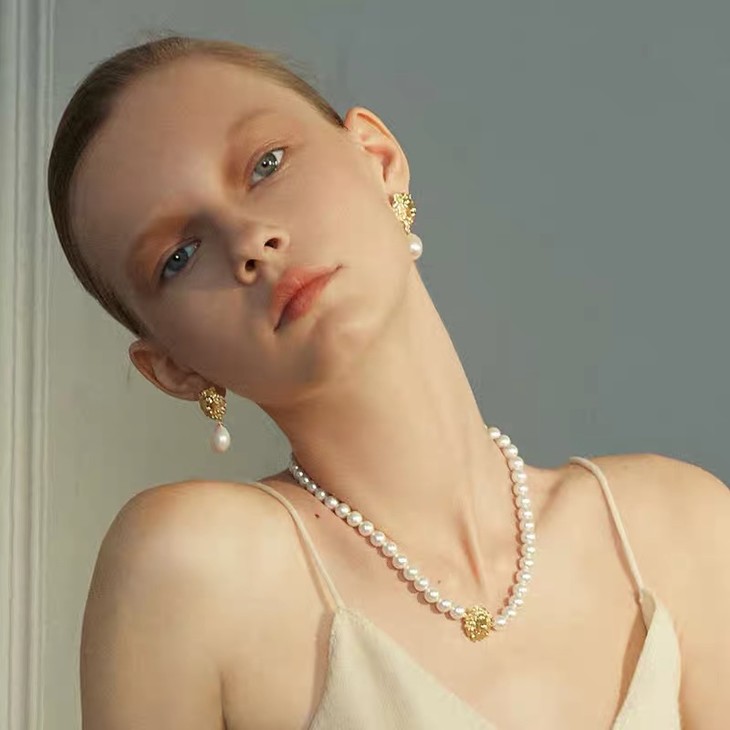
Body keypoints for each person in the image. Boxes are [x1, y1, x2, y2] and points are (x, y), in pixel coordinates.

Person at [48, 35, 728, 730]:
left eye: (266, 164)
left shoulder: (679, 528)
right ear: (174, 367)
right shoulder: (191, 566)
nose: (250, 240)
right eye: (180, 255)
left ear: (378, 159)